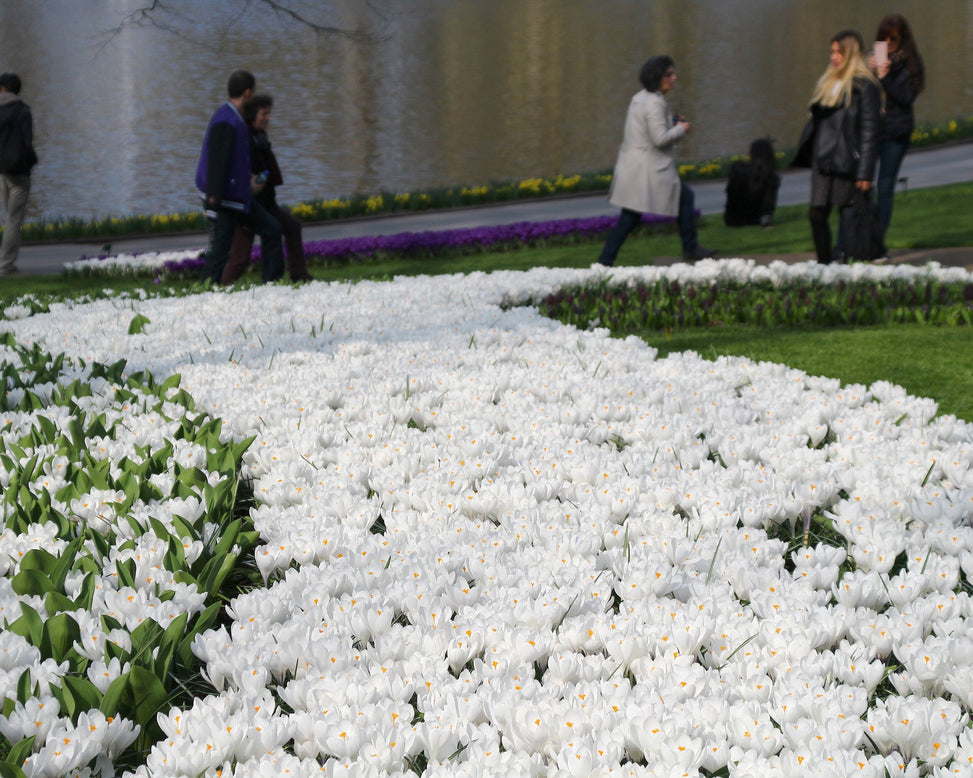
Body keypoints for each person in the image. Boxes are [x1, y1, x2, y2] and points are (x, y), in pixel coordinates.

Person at [598, 55, 716, 266]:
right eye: (669, 74)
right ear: (657, 77)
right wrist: (681, 129)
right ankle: (690, 249)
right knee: (680, 199)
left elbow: (647, 129)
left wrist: (669, 122)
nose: (674, 78)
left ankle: (604, 262)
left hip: (633, 167)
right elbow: (659, 139)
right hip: (647, 170)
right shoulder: (654, 104)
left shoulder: (640, 97)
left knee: (631, 217)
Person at [792, 30, 881, 264]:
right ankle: (824, 264)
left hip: (845, 161)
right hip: (823, 160)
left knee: (849, 216)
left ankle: (852, 265)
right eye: (831, 52)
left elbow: (870, 132)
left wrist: (865, 172)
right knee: (816, 213)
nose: (833, 57)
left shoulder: (864, 87)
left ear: (850, 54)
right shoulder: (828, 83)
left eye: (838, 52)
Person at [195, 69, 284, 284]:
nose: (253, 98)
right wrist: (213, 199)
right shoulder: (226, 120)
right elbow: (217, 161)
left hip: (235, 195)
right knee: (220, 250)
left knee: (272, 229)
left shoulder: (234, 119)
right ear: (246, 94)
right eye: (252, 94)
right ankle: (206, 289)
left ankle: (272, 285)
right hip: (224, 199)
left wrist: (249, 180)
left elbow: (235, 161)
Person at [222, 94, 312, 284]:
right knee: (240, 258)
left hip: (266, 204)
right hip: (249, 205)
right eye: (264, 114)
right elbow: (238, 172)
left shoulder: (260, 136)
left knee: (292, 226)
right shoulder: (244, 138)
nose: (268, 118)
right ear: (252, 115)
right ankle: (220, 287)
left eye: (269, 113)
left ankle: (299, 276)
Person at [868, 13, 924, 243]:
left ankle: (877, 242)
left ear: (903, 40)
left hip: (896, 132)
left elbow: (905, 98)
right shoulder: (871, 60)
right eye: (883, 38)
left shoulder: (909, 65)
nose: (888, 44)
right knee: (859, 185)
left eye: (893, 39)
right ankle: (851, 242)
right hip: (871, 130)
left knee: (885, 186)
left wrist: (885, 77)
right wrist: (866, 69)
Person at [0, 72, 39, 278]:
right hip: (18, 173)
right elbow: (27, 142)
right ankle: (6, 267)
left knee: (9, 217)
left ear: (3, 89)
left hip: (2, 171)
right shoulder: (23, 112)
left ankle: (7, 264)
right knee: (13, 220)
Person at [723, 137, 780, 227]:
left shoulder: (737, 169)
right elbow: (767, 207)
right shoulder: (771, 178)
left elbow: (729, 194)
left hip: (732, 220)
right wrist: (766, 222)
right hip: (754, 220)